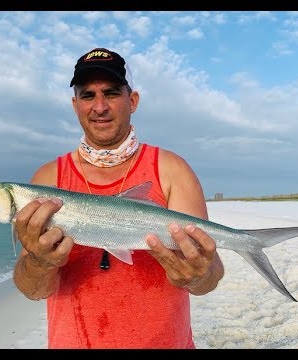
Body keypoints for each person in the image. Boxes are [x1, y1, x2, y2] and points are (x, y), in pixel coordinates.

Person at [12, 47, 225, 349]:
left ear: (132, 101)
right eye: (88, 95)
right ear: (75, 105)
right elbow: (33, 289)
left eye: (111, 93)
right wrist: (39, 262)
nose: (99, 107)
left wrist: (197, 275)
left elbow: (210, 276)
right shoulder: (48, 180)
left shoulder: (171, 169)